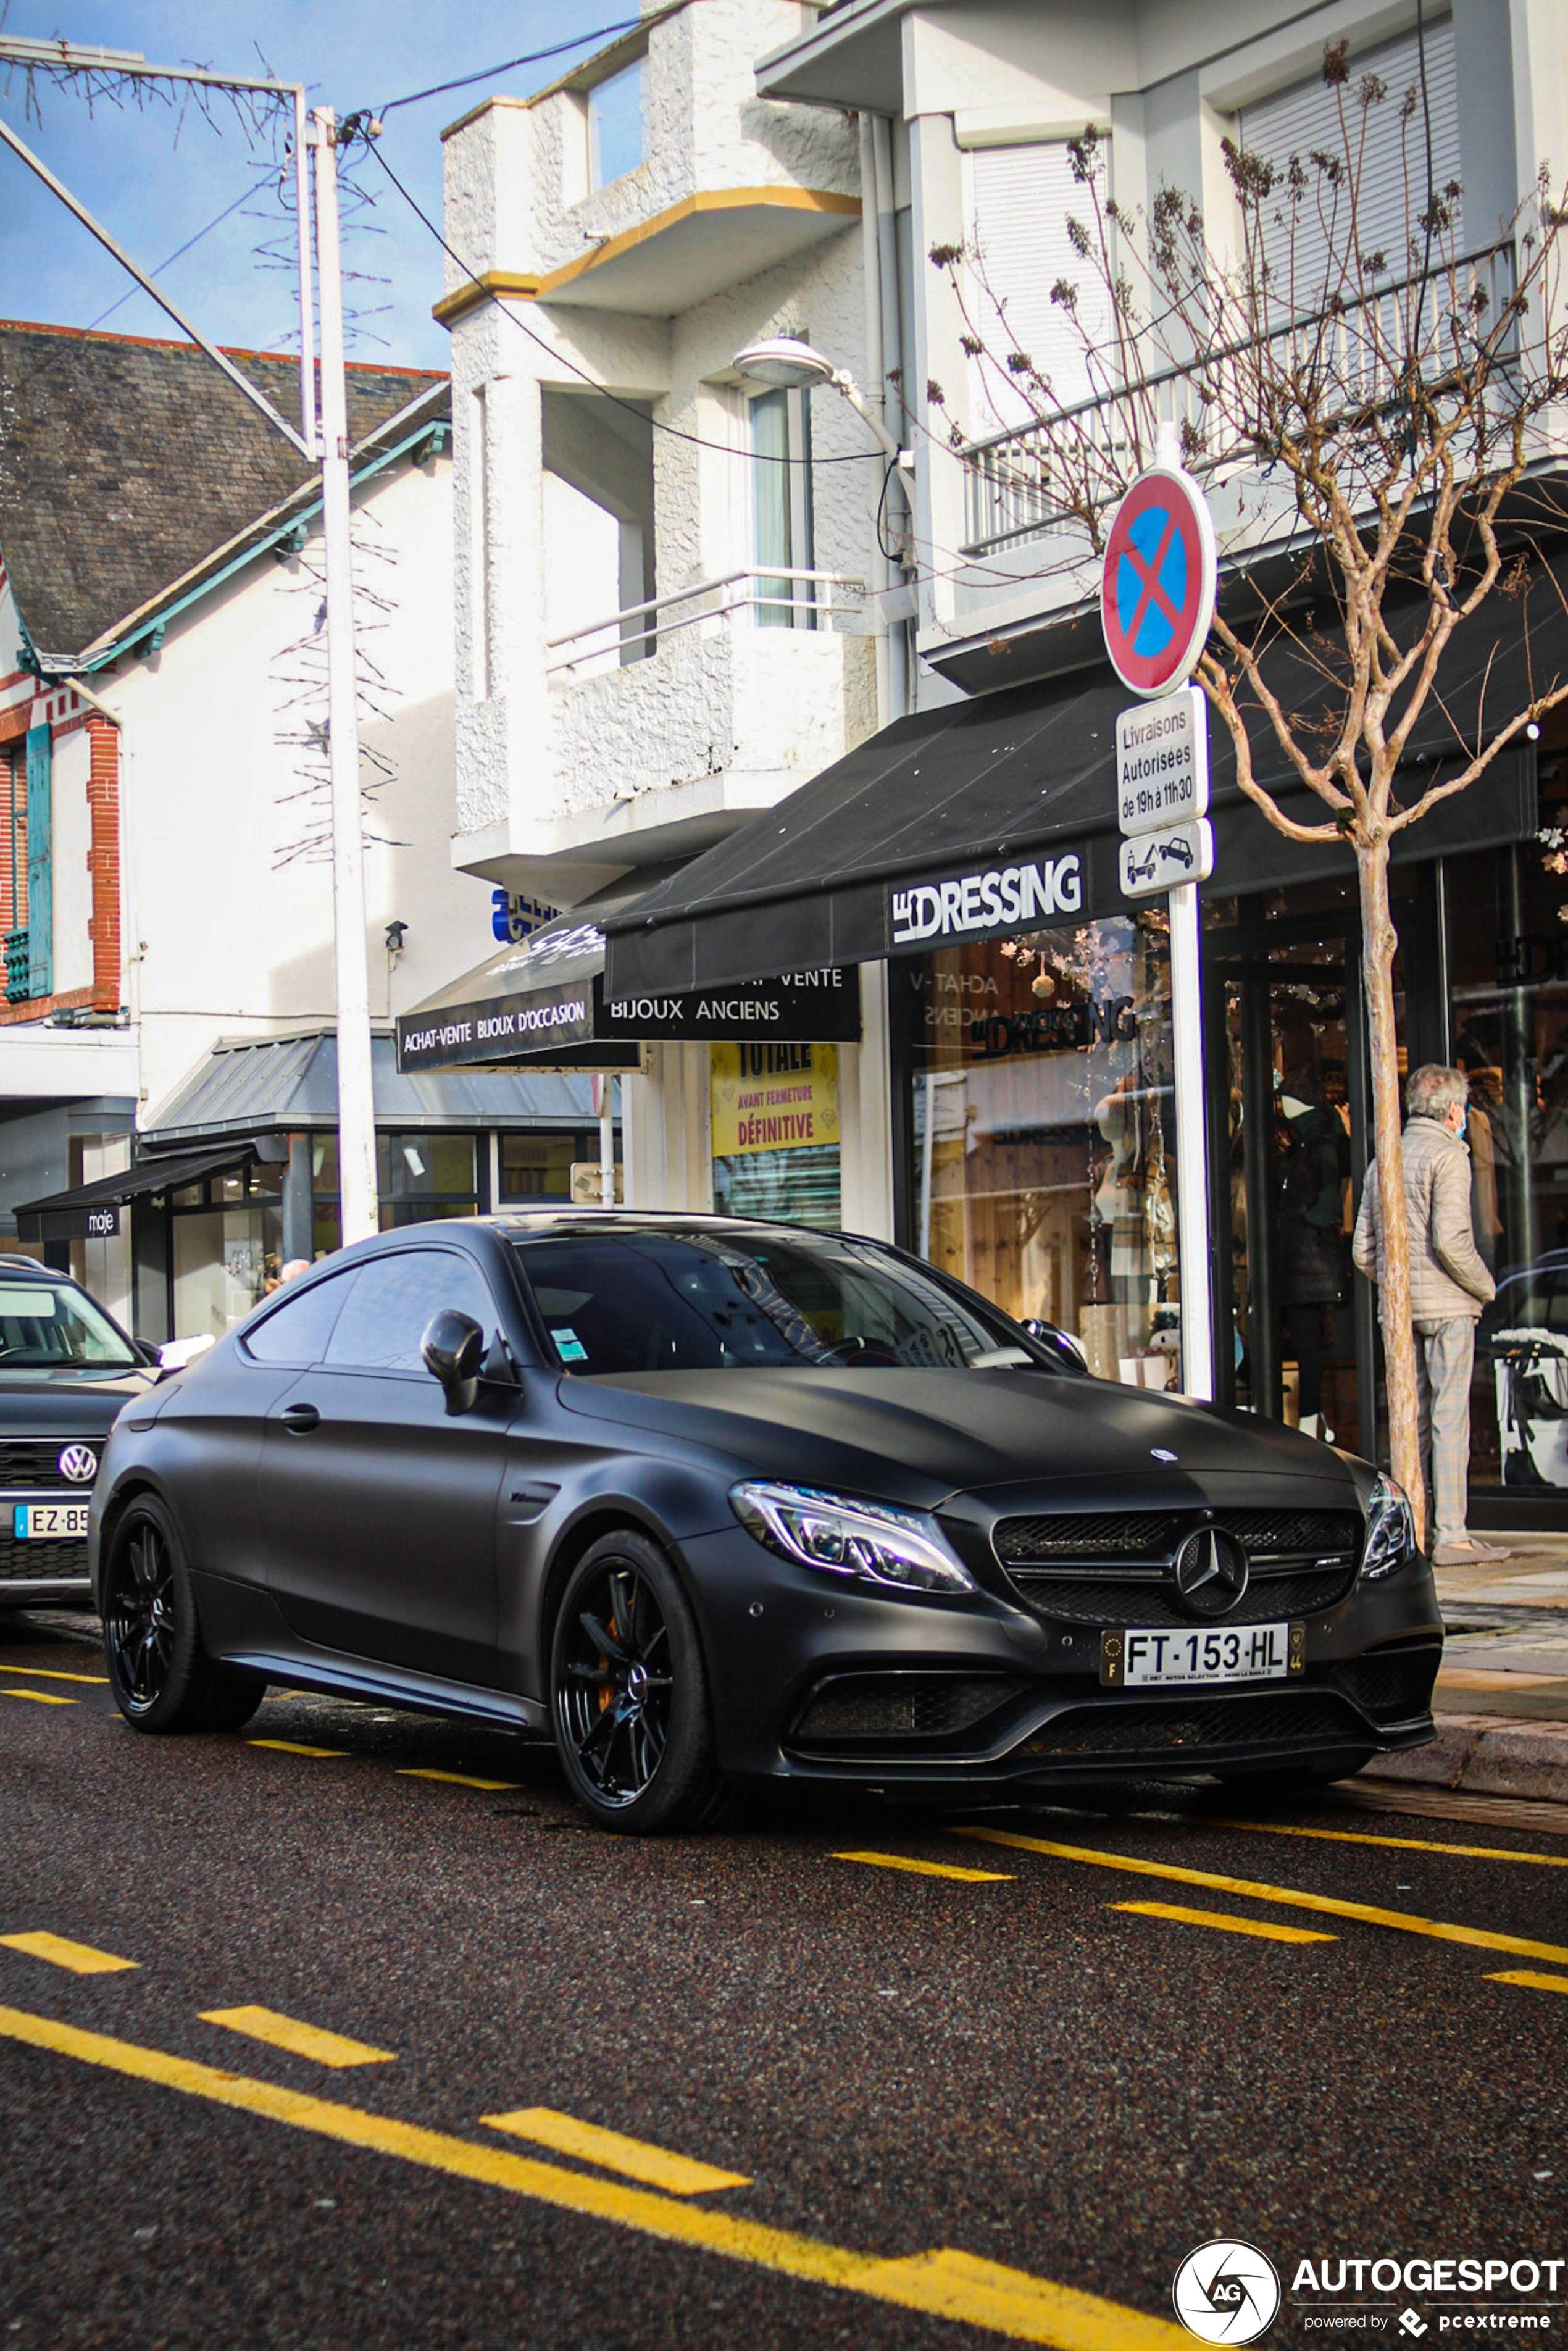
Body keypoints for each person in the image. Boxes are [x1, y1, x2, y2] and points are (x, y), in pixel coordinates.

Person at [1352, 1063, 1510, 1566]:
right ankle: (1452, 1534)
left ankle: (1409, 1534)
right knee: (1449, 1420)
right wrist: (1485, 1287)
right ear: (1454, 1111)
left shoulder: (1385, 1159)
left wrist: (1401, 1287)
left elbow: (1362, 1250)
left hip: (1401, 1312)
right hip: (1448, 1309)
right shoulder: (1450, 1155)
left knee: (1409, 1420)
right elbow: (1452, 1241)